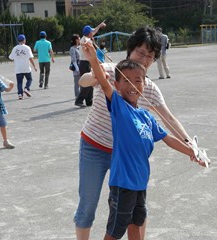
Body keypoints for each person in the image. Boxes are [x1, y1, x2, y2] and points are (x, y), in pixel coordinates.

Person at [74, 27, 195, 240]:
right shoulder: (112, 71)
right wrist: (93, 77)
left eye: (151, 56)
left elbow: (168, 119)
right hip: (95, 145)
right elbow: (84, 79)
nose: (145, 59)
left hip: (127, 156)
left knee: (136, 207)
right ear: (131, 50)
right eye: (141, 52)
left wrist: (190, 145)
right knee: (88, 204)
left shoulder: (147, 87)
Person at [74, 21, 106, 107]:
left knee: (91, 82)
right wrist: (98, 62)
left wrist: (100, 25)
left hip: (87, 62)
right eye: (91, 31)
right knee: (88, 82)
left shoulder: (87, 38)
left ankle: (89, 101)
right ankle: (79, 100)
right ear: (89, 33)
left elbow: (94, 31)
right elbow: (90, 53)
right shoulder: (86, 40)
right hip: (85, 63)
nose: (93, 32)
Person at [9, 34, 37, 100]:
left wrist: (17, 57)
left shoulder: (15, 48)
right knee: (29, 79)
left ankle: (20, 95)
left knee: (19, 82)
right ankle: (26, 88)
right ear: (24, 40)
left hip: (18, 68)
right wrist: (34, 66)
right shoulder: (27, 48)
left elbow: (10, 57)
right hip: (26, 67)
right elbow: (30, 58)